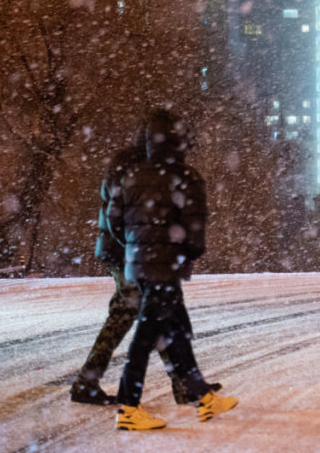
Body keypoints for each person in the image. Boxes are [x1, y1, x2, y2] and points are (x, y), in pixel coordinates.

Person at [70, 126, 221, 407]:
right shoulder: (140, 167)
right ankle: (87, 382)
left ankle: (183, 382)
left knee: (153, 312)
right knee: (133, 313)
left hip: (127, 249)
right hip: (129, 250)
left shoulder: (128, 164)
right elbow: (125, 213)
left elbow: (117, 211)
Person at [106, 108, 237, 432]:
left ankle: (203, 397)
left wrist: (137, 247)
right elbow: (195, 233)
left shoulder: (132, 174)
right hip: (167, 266)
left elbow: (114, 221)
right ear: (179, 141)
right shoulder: (186, 177)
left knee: (175, 332)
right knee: (147, 335)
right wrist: (182, 252)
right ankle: (129, 407)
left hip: (140, 264)